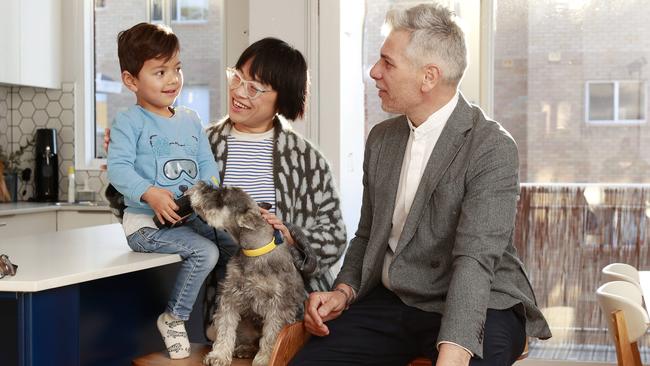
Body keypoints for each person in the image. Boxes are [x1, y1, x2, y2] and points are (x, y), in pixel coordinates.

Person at [292, 3, 552, 366]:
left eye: (388, 63)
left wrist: (455, 350)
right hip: (395, 297)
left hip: (480, 299)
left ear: (429, 76)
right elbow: (367, 234)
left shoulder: (492, 147)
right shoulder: (382, 139)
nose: (374, 72)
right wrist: (344, 290)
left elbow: (475, 260)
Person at [105, 37, 348, 336]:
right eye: (238, 77)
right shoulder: (195, 142)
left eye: (254, 87)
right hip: (221, 314)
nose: (238, 91)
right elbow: (136, 208)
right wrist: (128, 156)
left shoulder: (307, 160)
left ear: (282, 98)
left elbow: (335, 235)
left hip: (290, 314)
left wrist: (291, 237)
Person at [106, 22, 234, 360]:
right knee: (205, 252)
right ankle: (174, 319)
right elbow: (118, 169)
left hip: (186, 216)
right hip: (146, 226)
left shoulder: (191, 119)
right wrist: (149, 193)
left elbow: (207, 166)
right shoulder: (128, 121)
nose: (173, 79)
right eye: (160, 72)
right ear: (131, 80)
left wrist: (207, 196)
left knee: (232, 244)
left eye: (176, 68)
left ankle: (227, 318)